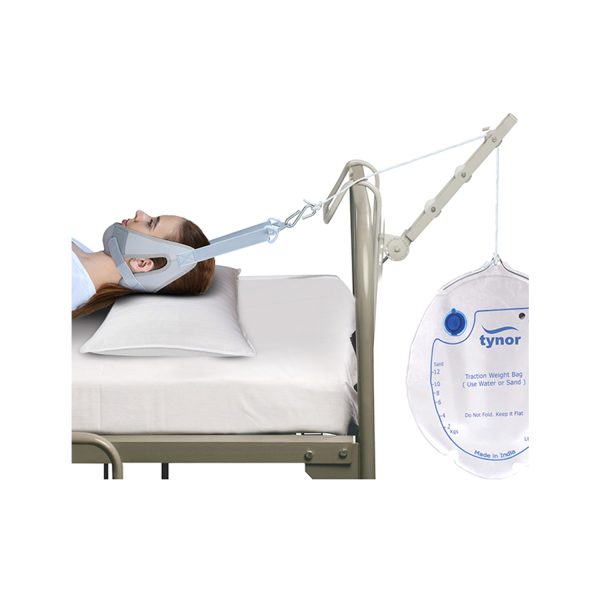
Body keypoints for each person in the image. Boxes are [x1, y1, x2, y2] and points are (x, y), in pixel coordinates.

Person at [72, 210, 215, 318]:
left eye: (150, 223)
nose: (139, 213)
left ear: (142, 263)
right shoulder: (82, 257)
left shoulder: (73, 280)